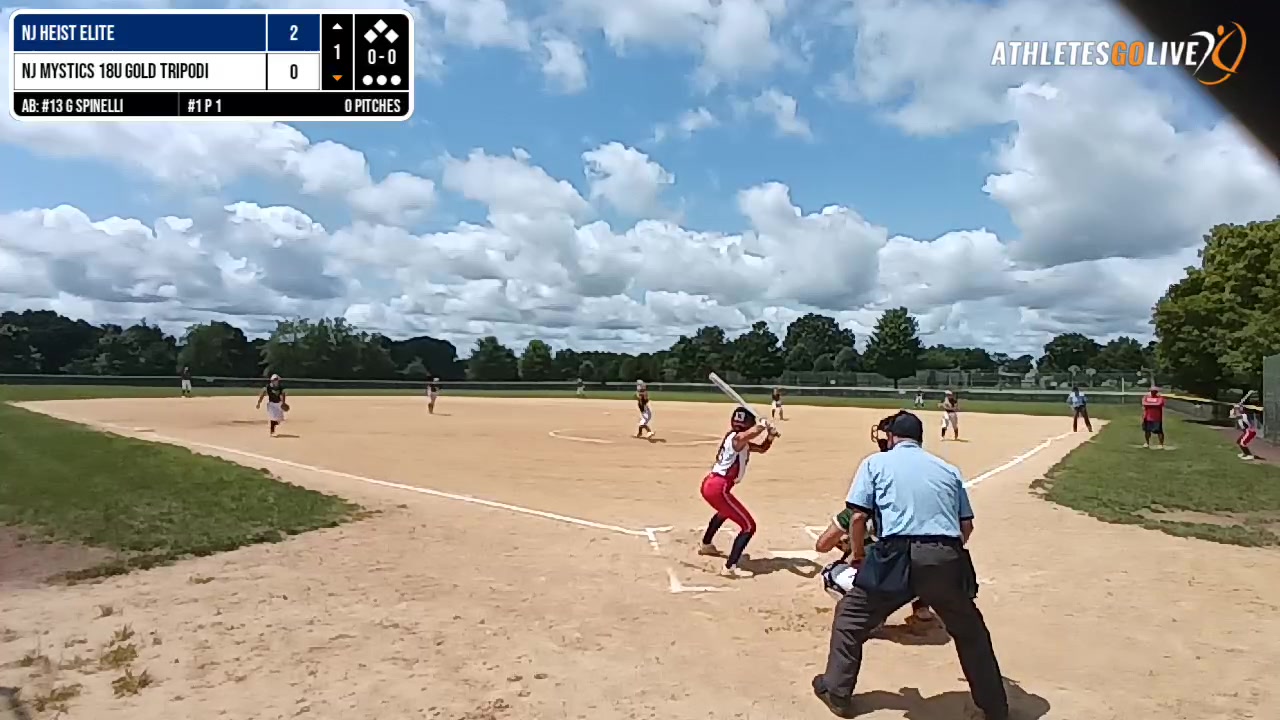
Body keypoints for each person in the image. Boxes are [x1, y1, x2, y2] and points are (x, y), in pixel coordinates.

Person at [813, 411, 1006, 720]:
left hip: (896, 554)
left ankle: (836, 691)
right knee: (971, 632)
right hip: (945, 554)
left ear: (892, 437)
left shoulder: (875, 463)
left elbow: (858, 517)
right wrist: (942, 555)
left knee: (851, 618)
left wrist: (859, 556)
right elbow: (966, 526)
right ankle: (995, 707)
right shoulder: (948, 469)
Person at [815, 506, 936, 628]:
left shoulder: (857, 511)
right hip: (918, 584)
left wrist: (851, 545)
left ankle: (867, 616)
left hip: (880, 582)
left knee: (830, 573)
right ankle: (921, 607)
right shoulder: (916, 508)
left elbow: (822, 546)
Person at [698, 407, 779, 577]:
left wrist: (770, 436)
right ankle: (730, 567)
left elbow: (762, 448)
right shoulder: (736, 439)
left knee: (723, 512)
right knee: (749, 526)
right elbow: (748, 435)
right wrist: (761, 425)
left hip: (713, 485)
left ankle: (706, 545)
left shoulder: (741, 442)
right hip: (718, 487)